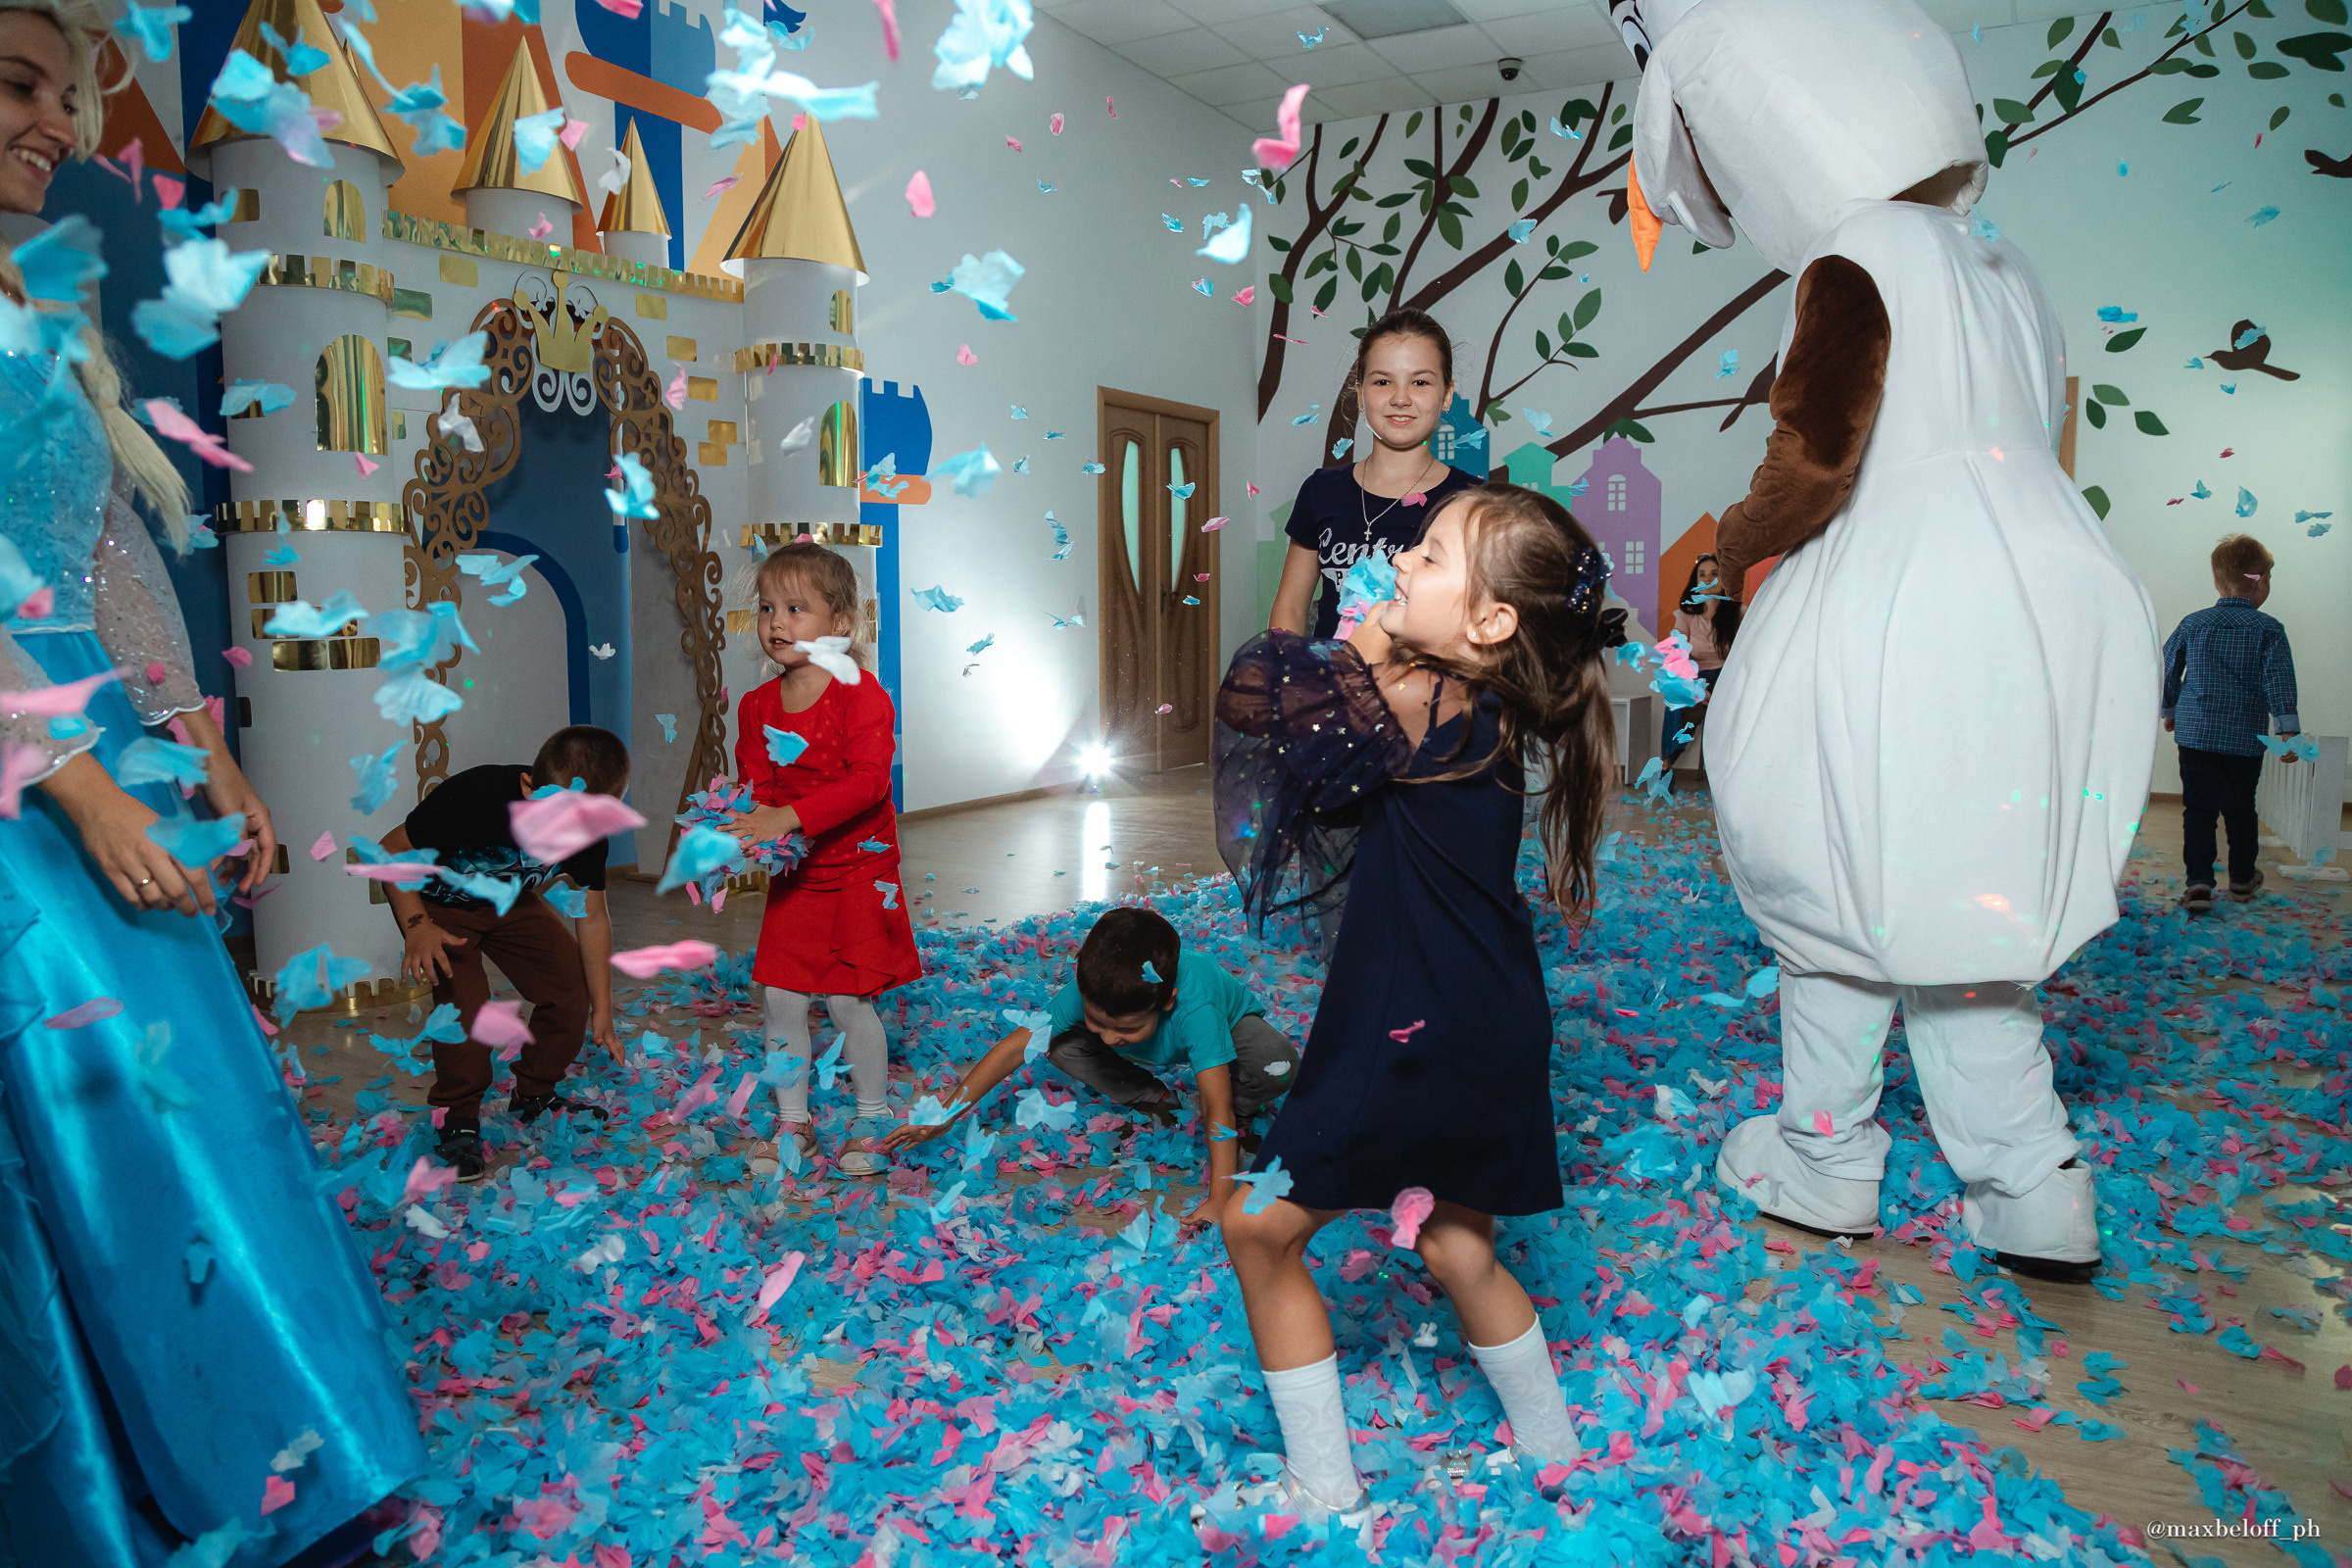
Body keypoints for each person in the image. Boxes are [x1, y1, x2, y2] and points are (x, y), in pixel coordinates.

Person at [1611, 0, 2159, 1283]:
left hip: (1903, 604)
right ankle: (2031, 1187)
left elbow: (1816, 454)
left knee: (1833, 886)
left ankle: (1826, 1159)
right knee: (1956, 907)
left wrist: (1724, 558)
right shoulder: (2001, 262)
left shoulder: (1855, 253)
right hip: (2042, 594)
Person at [0, 3, 423, 1558]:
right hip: (23, 783)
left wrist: (204, 754)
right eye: (18, 85)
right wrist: (79, 789)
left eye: (68, 93)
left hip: (98, 738)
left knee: (198, 1104)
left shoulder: (40, 296)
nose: (56, 122)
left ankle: (279, 1457)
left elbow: (109, 563)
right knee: (81, 1102)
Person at [1213, 483, 1624, 1511]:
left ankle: (1323, 1486)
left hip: (1409, 1027)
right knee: (1454, 1239)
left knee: (1257, 1231)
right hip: (1491, 1018)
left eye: (1432, 556)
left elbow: (1258, 700)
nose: (1401, 559)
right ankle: (1556, 1454)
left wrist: (1362, 651)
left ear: (1490, 624)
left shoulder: (1413, 693)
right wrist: (1383, 643)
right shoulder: (1477, 704)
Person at [877, 906, 1298, 1221]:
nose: (1110, 1038)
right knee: (1062, 1046)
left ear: (1165, 1002)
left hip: (1228, 1033)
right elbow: (1012, 1049)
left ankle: (1248, 1107)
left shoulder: (1195, 1002)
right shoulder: (1088, 994)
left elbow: (1215, 1102)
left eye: (1124, 1030)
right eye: (1099, 1022)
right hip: (1156, 1042)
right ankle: (1154, 1096)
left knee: (1278, 1063)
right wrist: (947, 1113)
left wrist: (1221, 1198)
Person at [725, 542, 920, 1176]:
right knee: (781, 998)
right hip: (798, 876)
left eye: (796, 609)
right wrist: (739, 828)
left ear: (839, 624)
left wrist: (788, 817)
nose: (776, 623)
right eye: (767, 608)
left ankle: (871, 1116)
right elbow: (755, 786)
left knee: (845, 1001)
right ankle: (793, 1123)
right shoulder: (756, 707)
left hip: (859, 872)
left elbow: (869, 783)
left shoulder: (861, 694)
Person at [380, 724, 627, 1181]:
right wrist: (417, 927)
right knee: (467, 1012)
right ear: (530, 787)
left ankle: (534, 1093)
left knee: (569, 987)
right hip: (442, 910)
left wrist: (604, 1010)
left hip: (512, 903)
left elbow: (592, 917)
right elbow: (391, 852)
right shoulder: (476, 796)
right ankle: (459, 1119)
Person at [1268, 308, 1482, 641]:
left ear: (1447, 396)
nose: (1400, 398)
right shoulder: (1320, 491)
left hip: (1428, 690)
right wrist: (1293, 683)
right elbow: (1291, 610)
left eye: (1420, 382)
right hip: (1330, 687)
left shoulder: (1474, 501)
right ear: (1361, 394)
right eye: (1383, 381)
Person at [2161, 533, 2299, 913]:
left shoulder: (2194, 623)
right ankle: (2240, 880)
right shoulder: (2268, 629)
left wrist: (2169, 710)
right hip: (2244, 737)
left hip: (2197, 732)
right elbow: (2279, 679)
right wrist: (2287, 730)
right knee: (2240, 807)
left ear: (2218, 581)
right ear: (2262, 581)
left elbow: (2167, 668)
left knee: (2198, 809)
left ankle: (2199, 883)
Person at [1660, 551, 1738, 771]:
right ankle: (1666, 765)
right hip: (1698, 677)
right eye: (1701, 575)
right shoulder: (1685, 615)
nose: (1707, 579)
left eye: (1714, 573)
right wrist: (1695, 687)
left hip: (1727, 678)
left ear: (1724, 579)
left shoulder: (1739, 613)